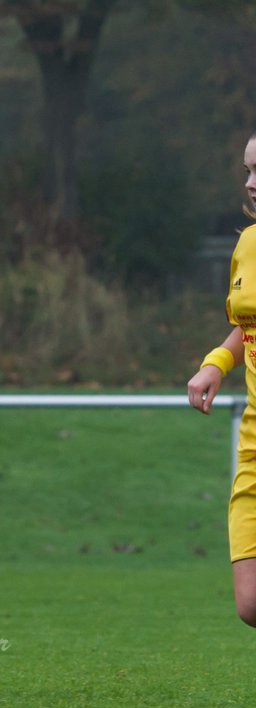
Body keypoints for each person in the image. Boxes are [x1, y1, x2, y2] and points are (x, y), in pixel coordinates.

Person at [189, 131, 256, 631]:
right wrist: (217, 362)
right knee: (251, 604)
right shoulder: (249, 245)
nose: (252, 184)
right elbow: (246, 324)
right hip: (255, 444)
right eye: (249, 171)